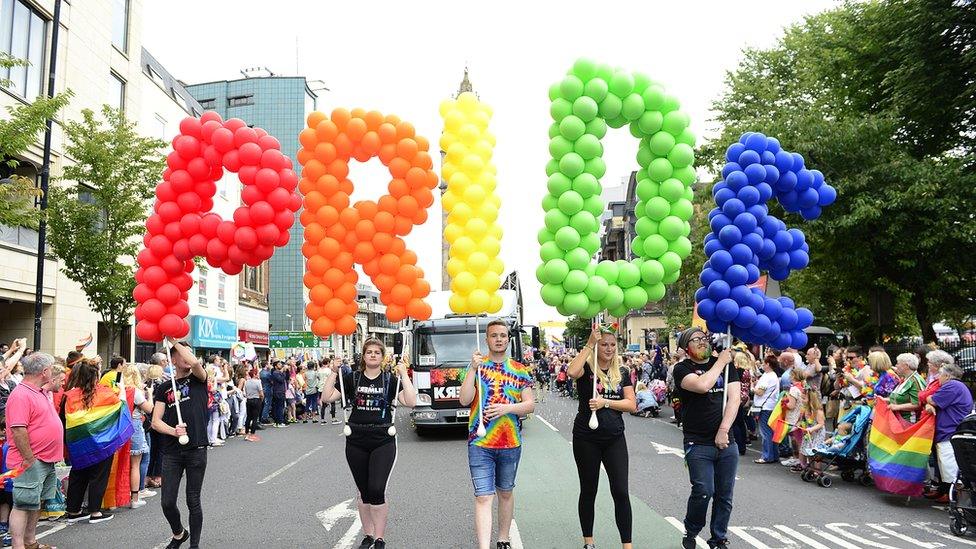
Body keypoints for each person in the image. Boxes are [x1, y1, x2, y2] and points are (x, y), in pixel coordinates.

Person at [322, 339, 417, 549]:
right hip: (355, 439)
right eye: (369, 352)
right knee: (364, 491)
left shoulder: (390, 380)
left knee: (377, 489)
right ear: (363, 356)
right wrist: (332, 372)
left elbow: (411, 401)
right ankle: (368, 535)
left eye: (377, 352)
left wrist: (404, 375)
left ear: (383, 357)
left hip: (383, 440)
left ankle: (380, 538)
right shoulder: (351, 378)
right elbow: (327, 397)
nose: (373, 355)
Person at [459, 320, 534, 549]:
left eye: (503, 335)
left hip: (511, 443)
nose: (499, 339)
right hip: (480, 442)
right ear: (487, 339)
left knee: (505, 493)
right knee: (483, 496)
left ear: (508, 339)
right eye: (494, 335)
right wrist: (472, 369)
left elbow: (530, 405)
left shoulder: (520, 370)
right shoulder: (477, 367)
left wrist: (507, 409)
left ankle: (503, 539)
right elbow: (464, 399)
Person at [567, 323, 637, 549]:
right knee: (589, 489)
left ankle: (627, 545)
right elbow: (571, 371)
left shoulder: (622, 372)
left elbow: (631, 404)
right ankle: (589, 542)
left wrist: (606, 402)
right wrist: (589, 344)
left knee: (620, 491)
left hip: (614, 437)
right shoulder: (586, 369)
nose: (608, 349)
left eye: (612, 345)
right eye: (604, 344)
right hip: (586, 437)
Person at [672, 328, 739, 549]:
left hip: (726, 441)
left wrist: (724, 429)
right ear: (685, 347)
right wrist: (720, 362)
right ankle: (691, 530)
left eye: (704, 338)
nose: (702, 342)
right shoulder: (682, 368)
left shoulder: (727, 366)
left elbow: (734, 399)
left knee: (724, 495)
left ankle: (718, 538)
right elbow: (702, 385)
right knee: (703, 491)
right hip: (698, 441)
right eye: (695, 339)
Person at [151, 338, 209, 549]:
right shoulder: (164, 387)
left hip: (196, 448)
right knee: (167, 502)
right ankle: (179, 534)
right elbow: (156, 422)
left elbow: (194, 363)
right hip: (172, 451)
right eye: (181, 353)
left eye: (188, 352)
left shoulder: (199, 379)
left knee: (193, 500)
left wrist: (173, 339)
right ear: (173, 359)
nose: (186, 356)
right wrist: (173, 431)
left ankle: (194, 545)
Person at [61, 359, 132, 524]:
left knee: (78, 474)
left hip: (78, 444)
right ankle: (95, 512)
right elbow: (120, 405)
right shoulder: (103, 393)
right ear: (94, 377)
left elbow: (63, 419)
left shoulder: (69, 396)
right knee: (99, 476)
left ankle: (73, 510)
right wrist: (121, 389)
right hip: (102, 442)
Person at [5, 353, 63, 549]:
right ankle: (19, 545)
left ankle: (30, 542)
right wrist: (28, 457)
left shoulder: (38, 391)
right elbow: (18, 429)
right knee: (23, 503)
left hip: (44, 459)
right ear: (45, 372)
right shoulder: (21, 394)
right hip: (31, 460)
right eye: (51, 368)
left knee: (36, 502)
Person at [923, 363, 974, 503]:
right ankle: (950, 496)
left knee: (950, 469)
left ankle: (958, 501)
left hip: (950, 431)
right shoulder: (956, 386)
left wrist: (929, 401)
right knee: (946, 468)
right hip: (948, 431)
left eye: (940, 374)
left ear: (947, 375)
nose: (938, 377)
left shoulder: (952, 386)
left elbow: (932, 399)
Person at [123, 365, 154, 509]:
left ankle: (120, 496)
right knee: (136, 464)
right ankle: (135, 497)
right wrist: (151, 394)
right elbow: (149, 409)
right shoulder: (135, 392)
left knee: (123, 463)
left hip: (120, 427)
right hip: (134, 425)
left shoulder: (119, 389)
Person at [884, 353, 927, 422]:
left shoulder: (915, 380)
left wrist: (897, 407)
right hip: (899, 420)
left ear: (906, 366)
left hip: (910, 422)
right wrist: (885, 400)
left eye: (898, 363)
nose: (896, 366)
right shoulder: (905, 379)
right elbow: (900, 398)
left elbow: (918, 404)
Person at [797, 388, 826, 469]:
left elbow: (821, 424)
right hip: (808, 432)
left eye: (804, 398)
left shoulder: (817, 411)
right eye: (801, 398)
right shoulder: (804, 409)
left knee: (815, 451)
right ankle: (811, 468)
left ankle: (817, 470)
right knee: (807, 451)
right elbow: (802, 421)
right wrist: (797, 425)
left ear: (811, 399)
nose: (802, 400)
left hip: (817, 433)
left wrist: (812, 429)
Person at [243, 368, 264, 442]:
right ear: (254, 374)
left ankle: (246, 433)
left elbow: (245, 391)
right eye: (257, 373)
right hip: (256, 399)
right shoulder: (258, 382)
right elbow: (261, 393)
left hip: (249, 400)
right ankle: (252, 434)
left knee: (248, 417)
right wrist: (261, 399)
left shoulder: (246, 382)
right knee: (255, 417)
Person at [269, 362, 288, 427]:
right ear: (275, 367)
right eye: (279, 364)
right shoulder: (276, 373)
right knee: (279, 407)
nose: (281, 365)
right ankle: (279, 422)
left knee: (278, 407)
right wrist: (283, 372)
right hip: (278, 392)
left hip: (279, 391)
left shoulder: (278, 373)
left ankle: (277, 422)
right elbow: (281, 380)